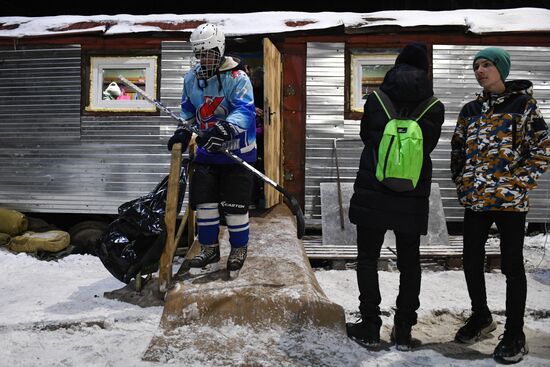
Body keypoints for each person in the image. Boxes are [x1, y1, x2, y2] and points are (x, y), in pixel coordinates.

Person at [450, 47, 550, 364]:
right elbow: (457, 151)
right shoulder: (469, 110)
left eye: (487, 65)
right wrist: (463, 183)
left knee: (511, 266)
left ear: (501, 69)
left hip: (510, 203)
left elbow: (542, 150)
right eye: (477, 65)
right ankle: (481, 316)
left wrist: (516, 183)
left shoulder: (525, 106)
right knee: (471, 260)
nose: (480, 70)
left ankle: (515, 333)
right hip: (476, 200)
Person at [347, 43, 445, 350]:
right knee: (410, 263)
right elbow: (427, 148)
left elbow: (367, 138)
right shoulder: (434, 105)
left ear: (397, 66)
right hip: (412, 195)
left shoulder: (376, 99)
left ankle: (371, 325)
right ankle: (403, 330)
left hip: (373, 190)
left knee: (367, 259)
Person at [167, 23, 257, 278]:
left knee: (235, 207)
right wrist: (183, 131)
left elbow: (245, 111)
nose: (204, 59)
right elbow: (188, 112)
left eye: (208, 53)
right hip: (207, 154)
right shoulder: (191, 78)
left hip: (237, 153)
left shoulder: (237, 78)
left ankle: (239, 249)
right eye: (199, 54)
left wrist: (224, 129)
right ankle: (209, 249)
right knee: (204, 204)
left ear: (219, 50)